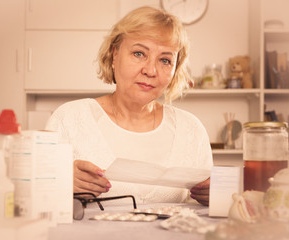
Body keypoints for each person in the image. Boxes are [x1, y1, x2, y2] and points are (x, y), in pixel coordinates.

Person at [45, 6, 213, 206]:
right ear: (114, 54)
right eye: (139, 53)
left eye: (165, 60)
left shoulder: (191, 129)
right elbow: (33, 198)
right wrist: (58, 181)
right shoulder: (69, 119)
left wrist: (215, 196)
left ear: (175, 70)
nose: (150, 70)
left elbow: (200, 212)